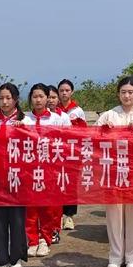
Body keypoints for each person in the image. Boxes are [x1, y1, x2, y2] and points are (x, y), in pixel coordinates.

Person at [96, 76, 133, 267]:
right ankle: (115, 255)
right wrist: (104, 131)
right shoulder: (108, 115)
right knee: (114, 213)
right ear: (118, 94)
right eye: (123, 92)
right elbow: (93, 140)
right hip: (113, 170)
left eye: (130, 92)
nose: (127, 96)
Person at [25, 83, 70, 258]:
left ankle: (45, 239)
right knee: (30, 206)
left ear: (48, 98)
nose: (38, 100)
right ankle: (32, 240)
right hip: (29, 169)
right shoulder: (26, 119)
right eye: (34, 96)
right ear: (30, 99)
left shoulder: (56, 119)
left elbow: (66, 142)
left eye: (41, 96)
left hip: (50, 168)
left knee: (48, 206)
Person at [0, 83, 30, 267]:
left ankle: (16, 259)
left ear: (16, 99)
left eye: (8, 98)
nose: (5, 102)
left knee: (17, 220)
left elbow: (38, 145)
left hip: (17, 178)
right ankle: (1, 259)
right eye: (1, 98)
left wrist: (24, 131)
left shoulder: (26, 121)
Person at [58, 78, 87, 230]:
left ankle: (69, 216)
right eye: (61, 90)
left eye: (67, 90)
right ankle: (58, 214)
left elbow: (83, 133)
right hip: (56, 152)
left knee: (70, 183)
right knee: (57, 182)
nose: (64, 93)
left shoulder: (78, 111)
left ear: (72, 92)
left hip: (72, 152)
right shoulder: (54, 110)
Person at [46, 85, 71, 244]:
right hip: (39, 164)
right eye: (47, 97)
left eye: (53, 97)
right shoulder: (32, 118)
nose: (50, 100)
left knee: (55, 199)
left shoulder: (63, 118)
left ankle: (54, 229)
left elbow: (70, 139)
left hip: (58, 162)